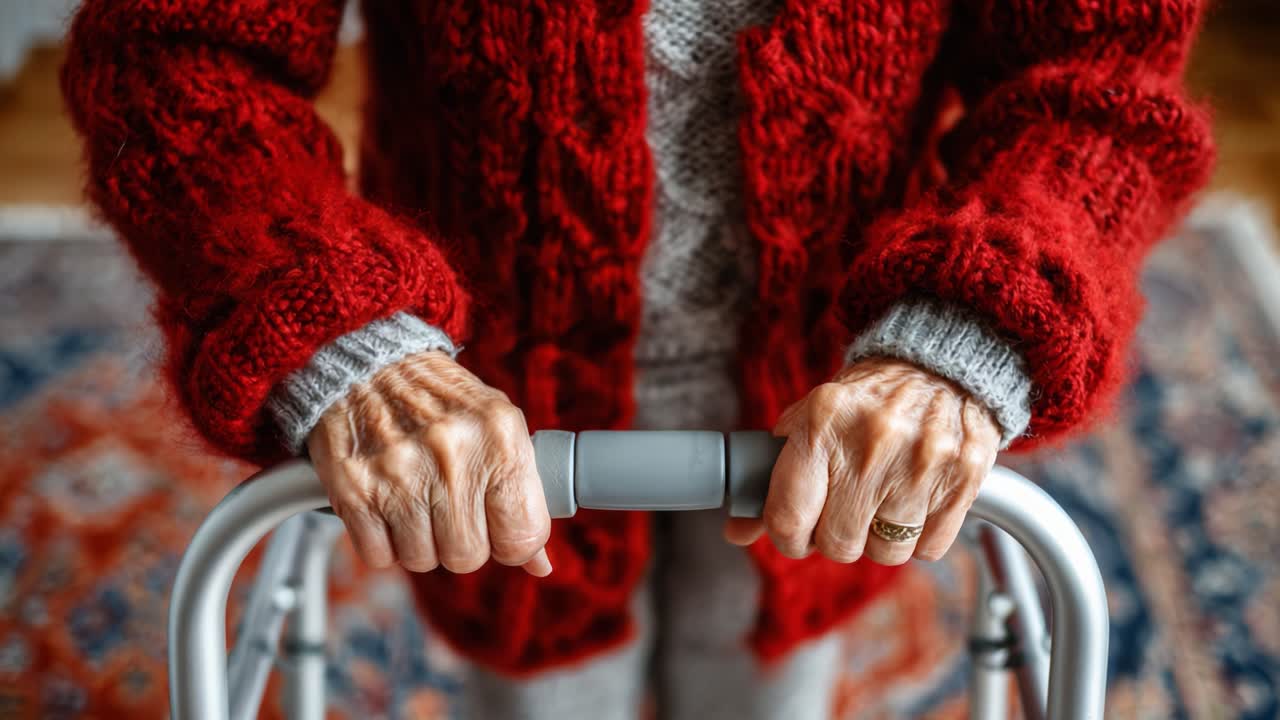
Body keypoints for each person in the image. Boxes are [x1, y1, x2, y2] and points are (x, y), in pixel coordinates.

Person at [61, 1, 1213, 717]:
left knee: (762, 673)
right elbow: (179, 58)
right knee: (542, 687)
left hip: (831, 397)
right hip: (485, 402)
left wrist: (965, 332)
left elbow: (1100, 76)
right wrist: (338, 327)